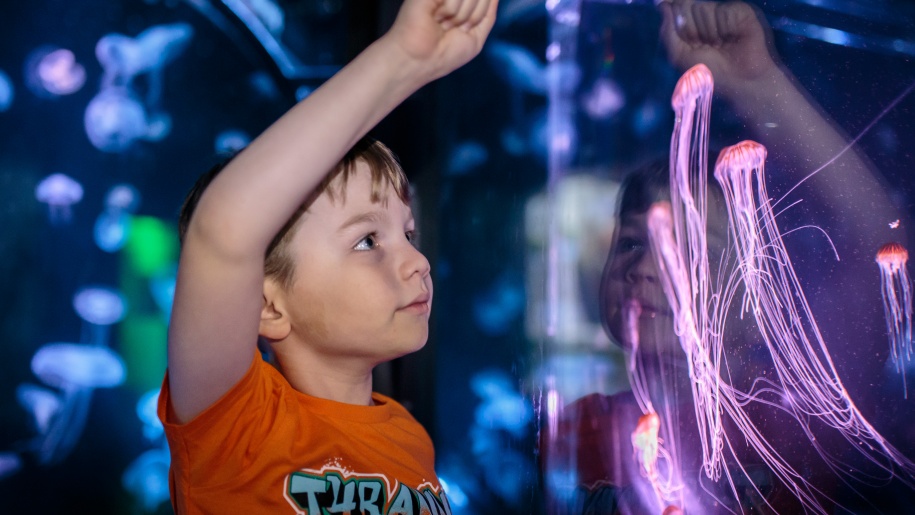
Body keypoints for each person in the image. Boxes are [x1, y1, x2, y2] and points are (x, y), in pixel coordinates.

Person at [543, 0, 911, 513]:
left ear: (762, 294)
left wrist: (757, 84)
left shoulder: (796, 419)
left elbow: (881, 244)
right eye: (631, 242)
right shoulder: (572, 429)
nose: (647, 267)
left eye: (690, 250)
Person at [155, 0, 497, 513]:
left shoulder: (409, 438)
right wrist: (405, 57)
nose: (418, 262)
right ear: (267, 305)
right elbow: (223, 230)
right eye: (368, 242)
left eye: (408, 233)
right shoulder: (235, 427)